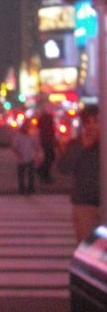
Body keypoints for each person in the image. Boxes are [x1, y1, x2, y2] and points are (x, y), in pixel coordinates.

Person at [58, 104, 100, 243]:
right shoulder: (76, 144)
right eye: (88, 122)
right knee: (90, 249)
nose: (92, 126)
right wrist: (82, 147)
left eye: (96, 121)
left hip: (103, 201)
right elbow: (63, 168)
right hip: (85, 205)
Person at [12, 118, 39, 195]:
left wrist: (37, 154)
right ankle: (22, 189)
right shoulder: (19, 136)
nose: (27, 128)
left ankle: (31, 189)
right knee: (21, 175)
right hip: (21, 158)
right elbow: (14, 147)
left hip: (30, 157)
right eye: (26, 127)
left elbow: (35, 146)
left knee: (31, 175)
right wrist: (19, 155)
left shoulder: (31, 136)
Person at [36, 107, 57, 183]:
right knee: (49, 158)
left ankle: (42, 172)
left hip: (45, 141)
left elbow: (39, 129)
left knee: (48, 158)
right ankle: (44, 174)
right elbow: (52, 132)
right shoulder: (48, 122)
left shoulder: (42, 121)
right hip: (47, 141)